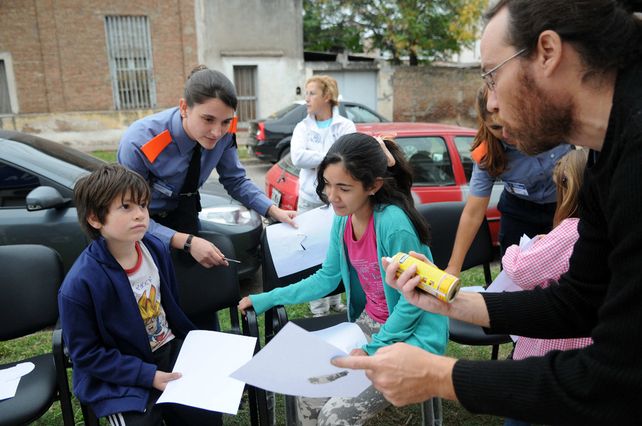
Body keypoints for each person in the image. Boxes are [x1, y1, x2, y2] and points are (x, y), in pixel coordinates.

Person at [332, 0, 642, 424]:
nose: (490, 103)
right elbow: (581, 300)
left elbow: (615, 380)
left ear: (548, 52)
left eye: (492, 77)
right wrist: (452, 301)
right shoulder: (605, 155)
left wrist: (441, 376)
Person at [239, 133, 448, 425]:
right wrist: (267, 298)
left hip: (411, 335)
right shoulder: (342, 216)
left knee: (336, 417)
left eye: (344, 188)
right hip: (370, 326)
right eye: (327, 184)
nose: (332, 196)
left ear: (373, 186)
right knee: (308, 392)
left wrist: (371, 350)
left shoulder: (393, 225)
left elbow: (413, 303)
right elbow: (326, 278)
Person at [58, 164, 221, 425]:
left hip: (167, 349)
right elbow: (87, 355)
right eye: (126, 207)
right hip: (119, 371)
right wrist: (148, 376)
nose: (140, 215)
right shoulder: (80, 284)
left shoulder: (155, 248)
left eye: (143, 205)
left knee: (204, 409)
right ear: (95, 218)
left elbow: (168, 308)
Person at [118, 65, 296, 269]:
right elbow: (129, 215)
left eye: (225, 122)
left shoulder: (225, 130)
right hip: (144, 226)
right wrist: (186, 242)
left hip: (186, 214)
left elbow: (235, 180)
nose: (217, 132)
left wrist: (274, 210)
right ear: (184, 108)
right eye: (208, 119)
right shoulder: (141, 141)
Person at [502, 148, 592, 426]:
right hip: (588, 360)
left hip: (548, 355)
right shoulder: (608, 227)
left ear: (567, 189)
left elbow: (521, 270)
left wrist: (515, 249)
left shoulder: (572, 230)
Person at [445, 84, 571, 278]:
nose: (506, 134)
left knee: (561, 275)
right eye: (496, 127)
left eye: (511, 124)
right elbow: (473, 212)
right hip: (518, 213)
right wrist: (454, 267)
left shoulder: (556, 132)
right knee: (514, 277)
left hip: (564, 207)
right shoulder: (488, 154)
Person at [291, 75, 356, 316]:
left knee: (337, 250)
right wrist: (331, 157)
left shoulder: (345, 127)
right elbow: (297, 157)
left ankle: (335, 301)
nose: (306, 98)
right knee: (313, 254)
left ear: (327, 96)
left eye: (311, 93)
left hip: (337, 201)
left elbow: (349, 157)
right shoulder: (301, 127)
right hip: (309, 200)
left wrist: (318, 157)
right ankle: (318, 308)